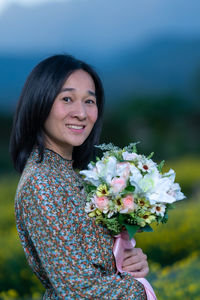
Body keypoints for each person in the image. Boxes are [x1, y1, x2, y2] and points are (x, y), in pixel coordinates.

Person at [10, 54, 149, 299]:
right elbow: (79, 290)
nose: (81, 113)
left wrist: (129, 263)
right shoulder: (41, 182)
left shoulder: (73, 175)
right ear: (40, 103)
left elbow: (95, 264)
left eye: (89, 101)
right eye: (67, 99)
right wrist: (139, 290)